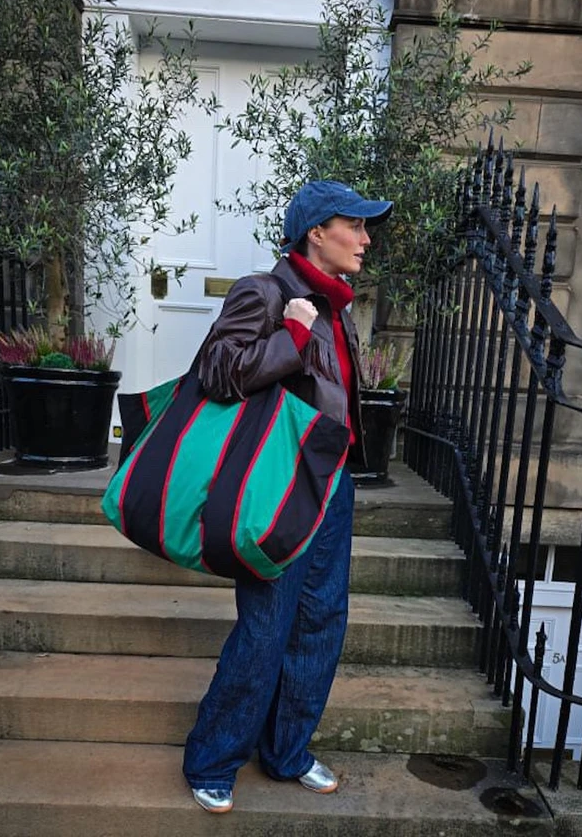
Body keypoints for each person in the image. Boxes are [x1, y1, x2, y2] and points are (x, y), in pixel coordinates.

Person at [183, 179, 393, 813]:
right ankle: (214, 759)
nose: (365, 238)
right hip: (279, 487)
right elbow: (218, 372)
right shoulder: (269, 293)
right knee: (267, 626)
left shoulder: (338, 304)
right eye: (353, 226)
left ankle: (286, 751)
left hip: (331, 483)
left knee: (322, 624)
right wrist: (293, 337)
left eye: (366, 227)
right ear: (315, 233)